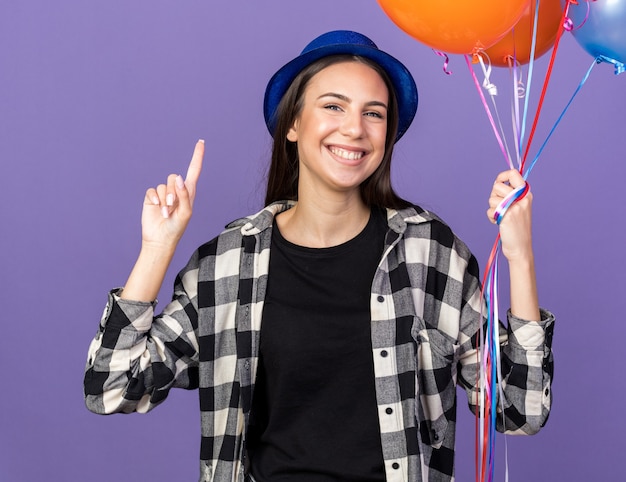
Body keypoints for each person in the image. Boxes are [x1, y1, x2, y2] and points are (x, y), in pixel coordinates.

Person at [84, 30, 555, 482]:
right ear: (293, 123)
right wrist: (158, 247)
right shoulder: (228, 263)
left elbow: (520, 410)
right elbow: (111, 388)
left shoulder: (429, 254)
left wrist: (521, 258)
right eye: (333, 106)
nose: (354, 129)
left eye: (374, 113)